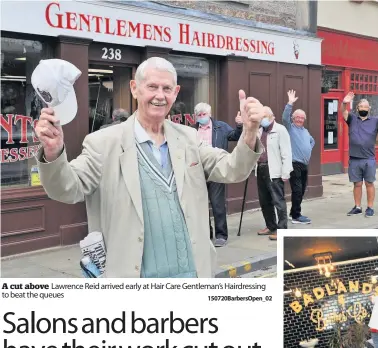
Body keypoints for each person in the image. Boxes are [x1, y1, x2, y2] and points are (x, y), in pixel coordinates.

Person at [35, 57, 264, 278]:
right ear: (135, 88)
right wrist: (53, 154)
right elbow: (66, 188)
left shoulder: (190, 138)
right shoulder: (102, 143)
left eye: (167, 88)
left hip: (193, 276)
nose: (159, 95)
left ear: (175, 93)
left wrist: (250, 132)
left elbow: (232, 169)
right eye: (152, 86)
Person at [194, 102, 243, 247]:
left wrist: (239, 126)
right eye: (199, 115)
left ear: (209, 114)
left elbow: (235, 136)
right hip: (198, 171)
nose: (202, 117)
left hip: (216, 169)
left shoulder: (220, 127)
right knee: (201, 205)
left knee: (217, 203)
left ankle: (221, 235)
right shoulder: (192, 131)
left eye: (204, 114)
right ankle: (206, 234)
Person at [341, 91, 378, 217]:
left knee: (369, 183)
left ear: (369, 108)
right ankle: (357, 207)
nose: (363, 109)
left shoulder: (375, 121)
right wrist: (344, 103)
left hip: (369, 158)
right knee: (357, 184)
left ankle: (370, 207)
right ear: (357, 108)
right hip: (354, 158)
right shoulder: (352, 119)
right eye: (361, 107)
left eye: (366, 107)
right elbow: (343, 112)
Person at [256, 107, 292, 241]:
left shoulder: (280, 130)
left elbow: (286, 153)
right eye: (261, 117)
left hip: (275, 170)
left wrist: (286, 172)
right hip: (261, 168)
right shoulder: (259, 131)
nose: (263, 119)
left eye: (265, 116)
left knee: (278, 200)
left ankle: (282, 229)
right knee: (264, 200)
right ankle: (270, 225)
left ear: (272, 116)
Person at [282, 90, 315, 225]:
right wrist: (290, 103)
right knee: (297, 190)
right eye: (298, 117)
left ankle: (293, 213)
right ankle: (296, 216)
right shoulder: (289, 128)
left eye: (302, 118)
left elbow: (312, 141)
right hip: (294, 163)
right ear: (293, 118)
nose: (300, 119)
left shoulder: (305, 131)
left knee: (301, 190)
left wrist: (308, 150)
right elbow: (284, 118)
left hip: (304, 164)